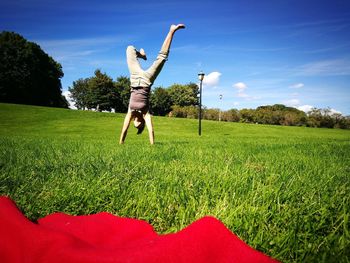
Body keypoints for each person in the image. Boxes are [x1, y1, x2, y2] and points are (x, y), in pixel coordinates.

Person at [119, 24, 185, 145]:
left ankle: (141, 56)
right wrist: (152, 144)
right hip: (147, 81)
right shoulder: (146, 113)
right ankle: (172, 30)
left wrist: (121, 143)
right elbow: (151, 130)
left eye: (135, 126)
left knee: (129, 49)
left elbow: (124, 129)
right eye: (138, 127)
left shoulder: (130, 112)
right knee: (162, 58)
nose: (136, 125)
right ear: (142, 123)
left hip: (134, 79)